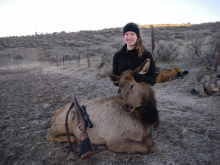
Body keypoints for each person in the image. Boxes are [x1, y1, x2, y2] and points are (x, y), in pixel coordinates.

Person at [112, 22, 156, 92]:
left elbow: (153, 81)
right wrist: (123, 80)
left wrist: (142, 78)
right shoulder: (117, 56)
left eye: (132, 34)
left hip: (141, 96)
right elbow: (115, 82)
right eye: (126, 34)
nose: (129, 37)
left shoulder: (146, 55)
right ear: (124, 36)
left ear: (137, 36)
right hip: (124, 96)